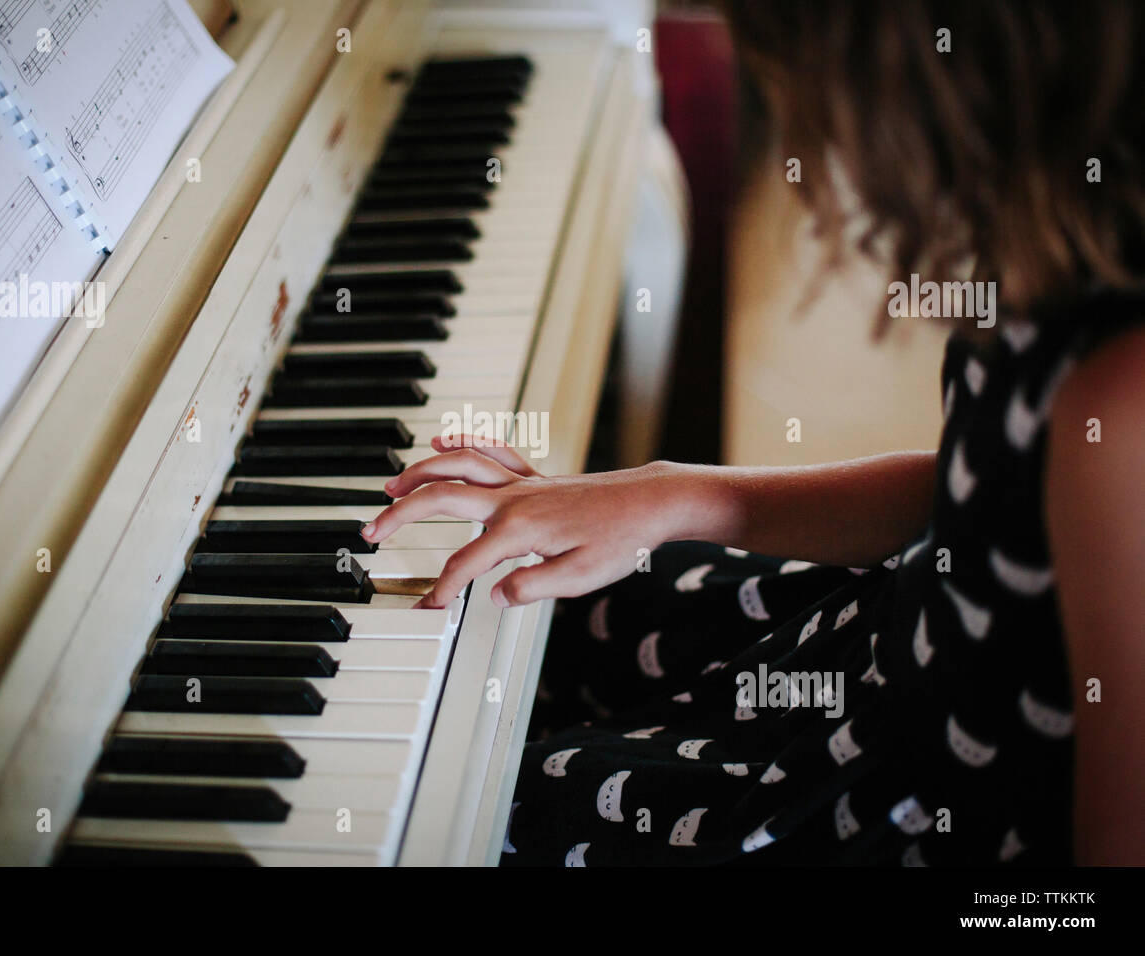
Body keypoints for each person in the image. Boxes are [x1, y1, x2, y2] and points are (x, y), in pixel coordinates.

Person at [360, 0, 1145, 866]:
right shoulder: (1076, 244)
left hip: (892, 803)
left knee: (484, 817)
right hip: (880, 648)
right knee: (534, 610)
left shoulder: (1127, 395)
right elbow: (988, 500)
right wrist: (673, 495)